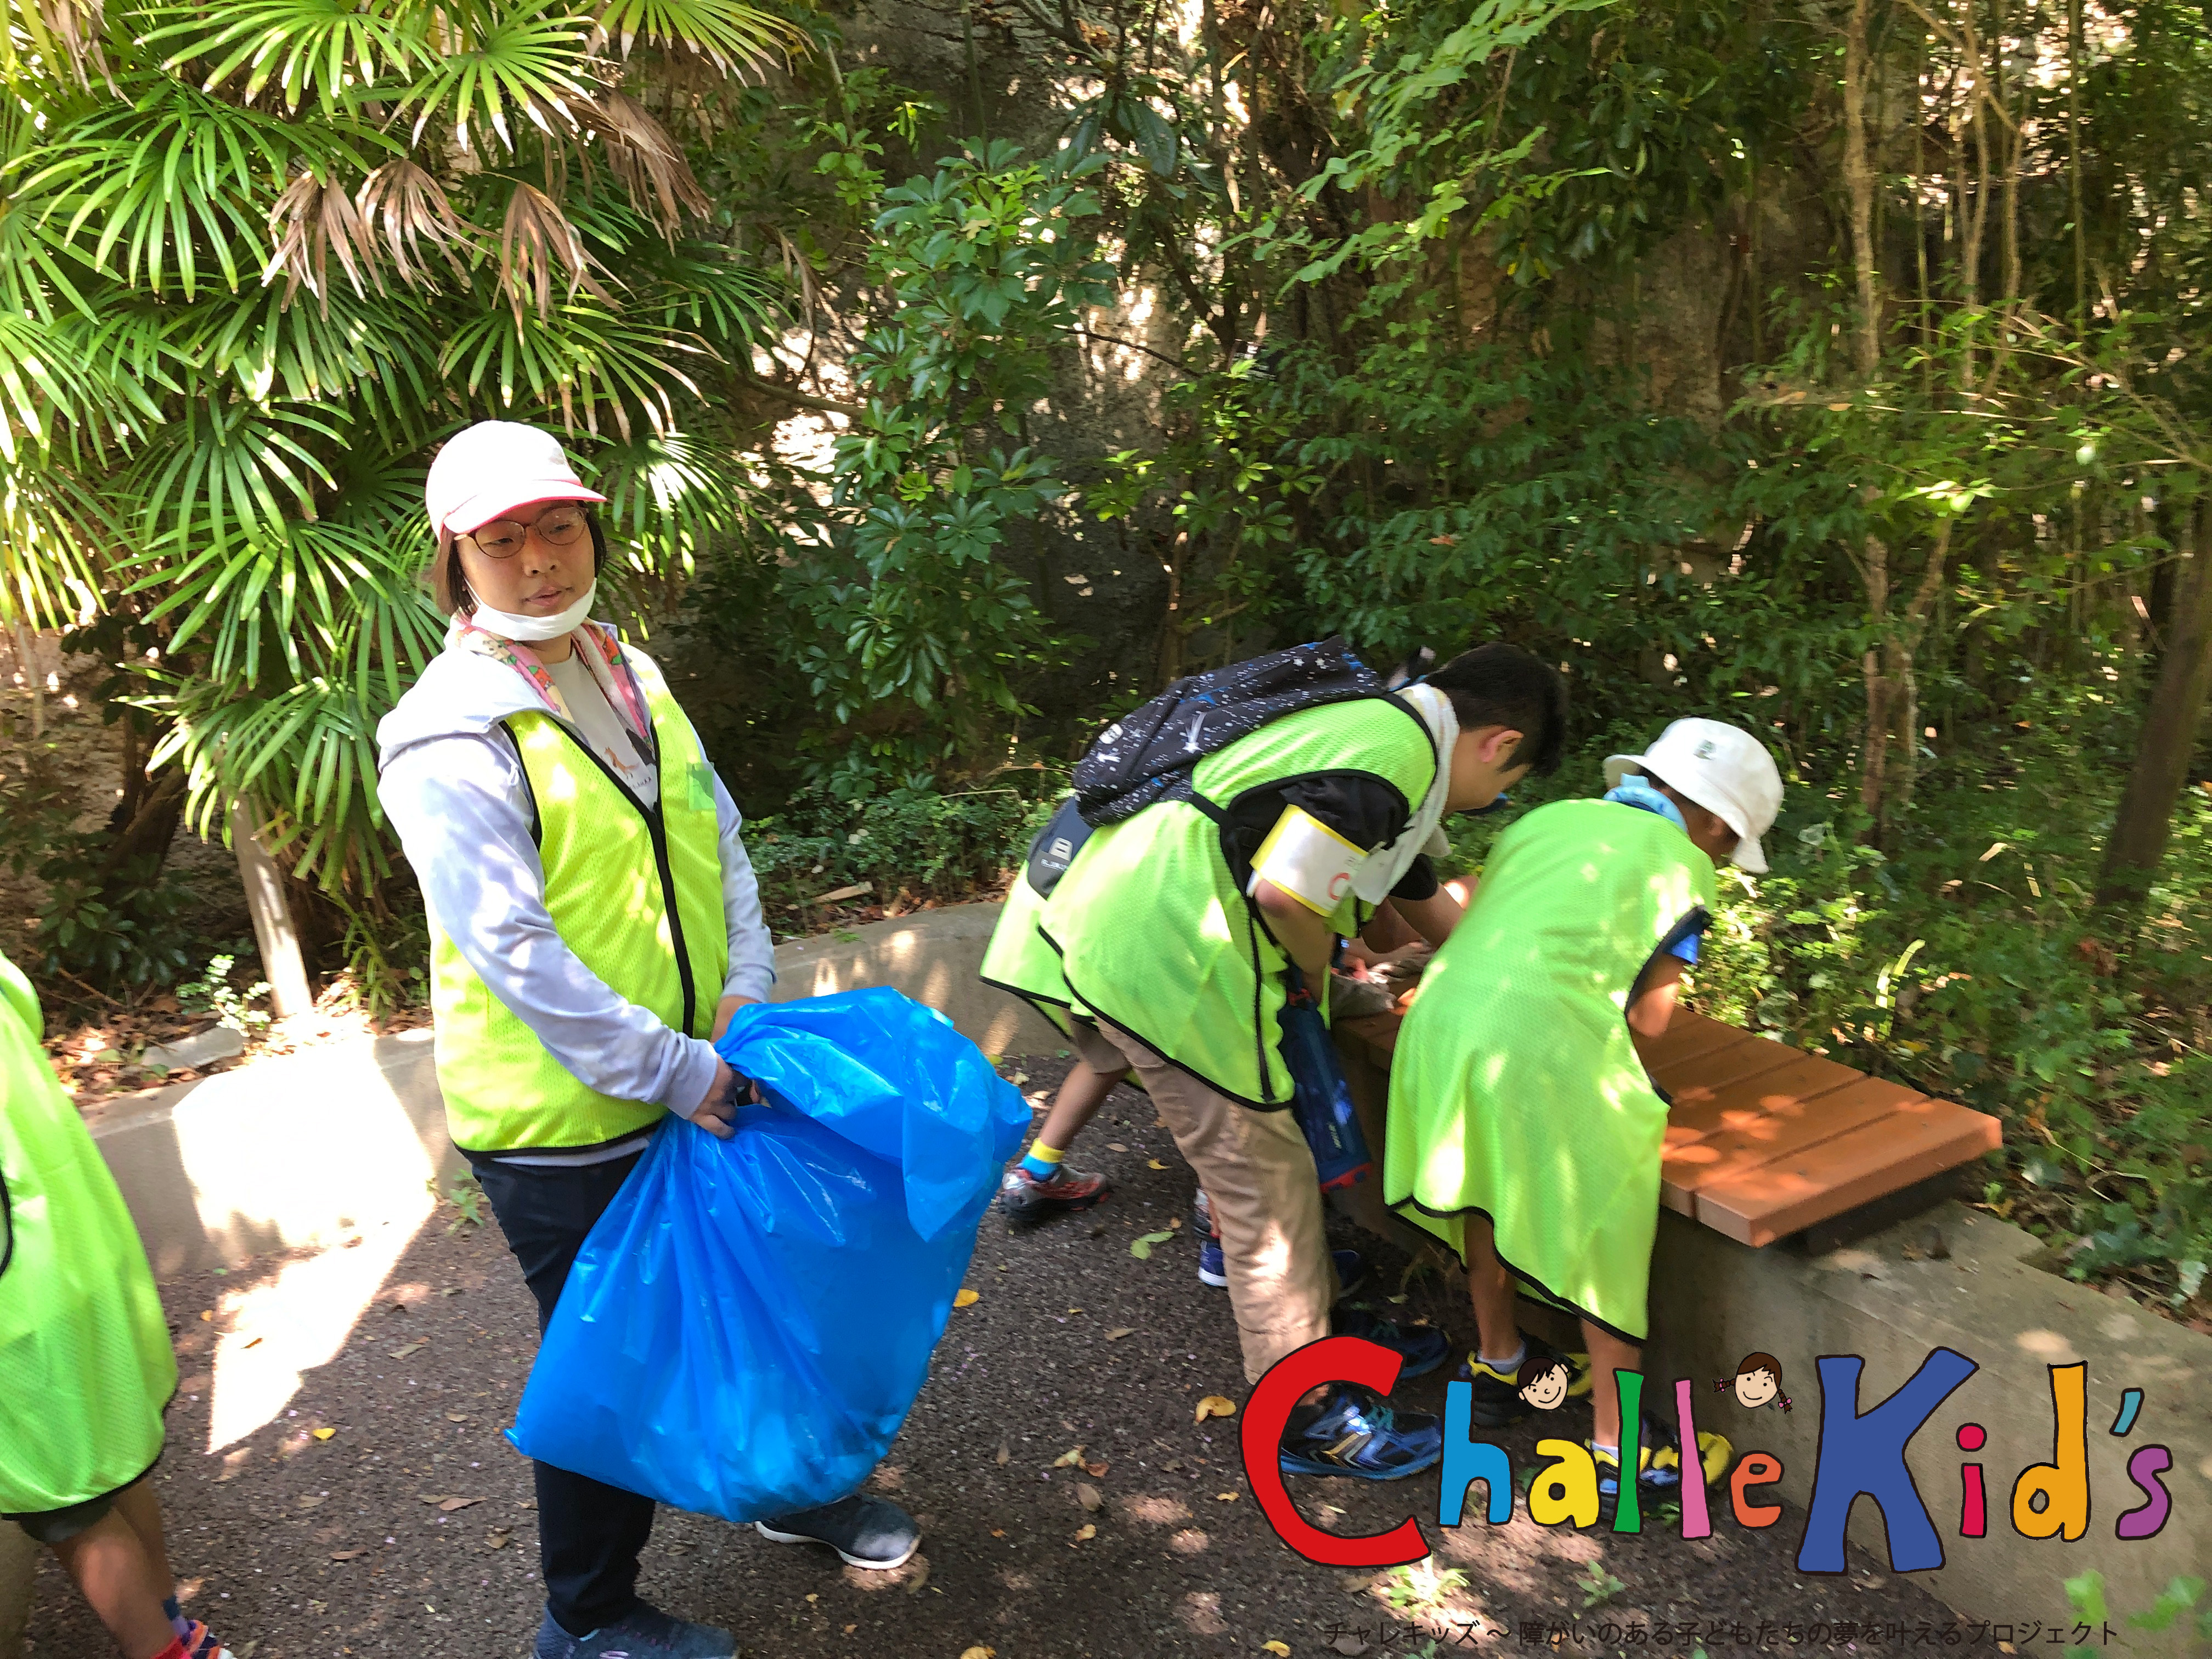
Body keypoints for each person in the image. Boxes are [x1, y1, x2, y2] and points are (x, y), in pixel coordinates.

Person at [378, 421, 918, 1659]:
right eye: (501, 540)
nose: (538, 562)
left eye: (557, 526)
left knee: (767, 1301)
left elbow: (714, 837)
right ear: (455, 559)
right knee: (613, 1369)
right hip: (566, 1123)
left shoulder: (629, 669)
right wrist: (683, 1071)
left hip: (709, 1066)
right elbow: (517, 956)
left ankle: (790, 1491)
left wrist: (745, 990)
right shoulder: (447, 733)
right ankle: (590, 1619)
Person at [983, 642, 1568, 1480]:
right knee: (1267, 1193)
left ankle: (1321, 1331)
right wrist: (1310, 966)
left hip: (1148, 930)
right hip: (1172, 958)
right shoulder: (1396, 753)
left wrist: (1503, 983)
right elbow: (1288, 893)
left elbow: (1414, 891)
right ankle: (1305, 1414)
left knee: (1278, 1171)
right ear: (1499, 743)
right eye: (1507, 787)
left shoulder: (1377, 723)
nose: (1494, 800)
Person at [1385, 717, 1781, 1516]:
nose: (1717, 861)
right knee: (1606, 1223)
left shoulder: (1543, 820)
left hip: (1441, 1026)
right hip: (1540, 1048)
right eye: (1725, 846)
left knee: (1479, 1187)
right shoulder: (1682, 866)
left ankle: (1498, 1363)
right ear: (1713, 822)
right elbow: (1650, 1022)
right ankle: (1617, 1446)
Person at [0, 952, 233, 1659]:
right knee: (112, 1459)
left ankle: (167, 1651)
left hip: (18, 1300)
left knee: (67, 1505)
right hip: (75, 1248)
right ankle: (174, 1626)